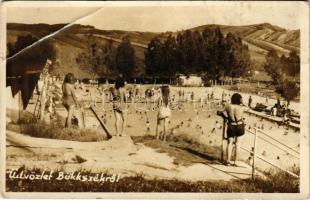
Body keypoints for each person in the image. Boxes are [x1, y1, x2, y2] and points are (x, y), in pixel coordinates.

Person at [217, 93, 246, 166]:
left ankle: (228, 161)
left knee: (230, 143)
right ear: (240, 99)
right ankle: (235, 162)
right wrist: (243, 103)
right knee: (238, 144)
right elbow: (249, 109)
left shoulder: (228, 106)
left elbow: (219, 112)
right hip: (239, 126)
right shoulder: (242, 107)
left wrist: (225, 118)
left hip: (231, 125)